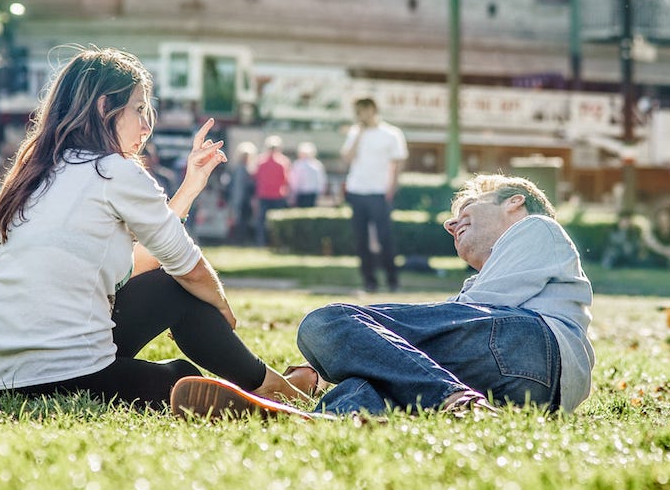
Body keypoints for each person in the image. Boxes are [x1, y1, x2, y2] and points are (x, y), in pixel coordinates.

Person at [0, 47, 308, 410]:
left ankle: (271, 384)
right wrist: (222, 307)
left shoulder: (34, 175)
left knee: (168, 290)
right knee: (180, 376)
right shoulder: (112, 170)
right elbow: (188, 269)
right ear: (104, 107)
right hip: (62, 374)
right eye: (139, 109)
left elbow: (133, 266)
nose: (147, 126)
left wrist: (189, 188)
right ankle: (274, 388)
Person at [170, 173, 595, 420]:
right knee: (378, 377)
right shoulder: (491, 288)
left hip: (533, 348)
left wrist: (347, 351)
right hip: (526, 387)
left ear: (515, 203)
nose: (451, 225)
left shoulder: (537, 228)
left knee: (328, 323)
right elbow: (419, 351)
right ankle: (326, 419)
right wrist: (374, 355)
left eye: (467, 207)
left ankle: (453, 401)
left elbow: (463, 317)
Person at [341, 97, 408, 292]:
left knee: (384, 237)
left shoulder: (391, 133)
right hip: (357, 191)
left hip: (379, 192)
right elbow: (347, 157)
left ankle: (392, 280)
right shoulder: (355, 132)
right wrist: (360, 134)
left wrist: (392, 187)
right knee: (360, 239)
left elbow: (399, 161)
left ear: (372, 109)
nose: (360, 115)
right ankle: (369, 281)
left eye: (363, 110)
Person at [252, 135, 291, 246]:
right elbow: (286, 180)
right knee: (277, 221)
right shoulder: (283, 162)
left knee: (261, 221)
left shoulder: (260, 161)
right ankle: (277, 242)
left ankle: (261, 242)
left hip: (263, 195)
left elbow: (255, 178)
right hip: (278, 195)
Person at [226, 141, 258, 244]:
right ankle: (239, 240)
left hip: (243, 200)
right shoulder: (242, 169)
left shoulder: (241, 169)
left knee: (242, 220)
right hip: (242, 200)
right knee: (240, 220)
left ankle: (240, 239)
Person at [289, 141, 327, 208]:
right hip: (309, 193)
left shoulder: (298, 164)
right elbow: (321, 181)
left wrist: (293, 194)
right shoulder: (317, 165)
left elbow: (294, 182)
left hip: (303, 193)